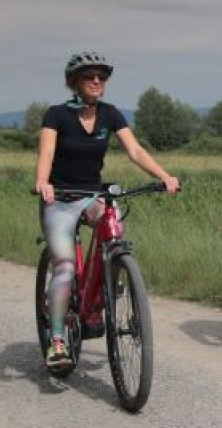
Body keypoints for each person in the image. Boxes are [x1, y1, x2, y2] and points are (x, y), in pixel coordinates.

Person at [35, 50, 180, 368]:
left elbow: (135, 150)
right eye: (90, 76)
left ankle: (105, 283)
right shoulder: (56, 115)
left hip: (90, 195)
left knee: (113, 225)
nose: (97, 81)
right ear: (75, 82)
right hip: (59, 197)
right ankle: (58, 341)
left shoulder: (110, 114)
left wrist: (164, 176)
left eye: (102, 77)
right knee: (64, 267)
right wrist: (43, 181)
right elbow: (46, 152)